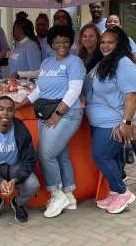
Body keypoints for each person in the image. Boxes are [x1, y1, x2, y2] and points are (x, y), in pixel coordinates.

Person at [16, 25, 86, 218]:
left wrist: (58, 113)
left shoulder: (75, 62)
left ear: (70, 43)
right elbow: (39, 90)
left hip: (66, 114)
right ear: (51, 44)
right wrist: (20, 104)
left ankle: (56, 194)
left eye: (65, 41)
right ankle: (68, 195)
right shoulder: (47, 63)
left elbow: (74, 91)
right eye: (57, 41)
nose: (61, 45)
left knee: (45, 153)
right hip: (45, 112)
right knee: (59, 154)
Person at [83, 27, 136, 214]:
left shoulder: (124, 64)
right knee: (113, 158)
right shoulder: (106, 62)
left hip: (113, 123)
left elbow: (131, 95)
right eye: (103, 42)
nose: (105, 46)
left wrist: (126, 122)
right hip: (99, 122)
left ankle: (123, 192)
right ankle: (116, 192)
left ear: (119, 44)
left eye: (110, 42)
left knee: (101, 155)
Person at [105, 15, 136, 193]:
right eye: (109, 22)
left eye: (115, 21)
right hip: (113, 101)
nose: (112, 24)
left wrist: (134, 80)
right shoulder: (105, 42)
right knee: (117, 133)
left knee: (134, 133)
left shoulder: (127, 41)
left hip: (129, 95)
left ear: (120, 24)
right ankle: (121, 169)